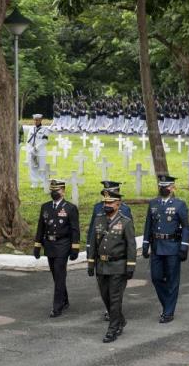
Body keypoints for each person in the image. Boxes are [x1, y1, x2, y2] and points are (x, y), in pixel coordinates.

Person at [87, 191, 136, 343]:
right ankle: (120, 320)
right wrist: (90, 263)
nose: (106, 205)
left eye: (110, 203)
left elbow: (131, 246)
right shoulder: (99, 220)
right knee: (105, 296)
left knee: (115, 299)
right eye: (105, 203)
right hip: (101, 266)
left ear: (118, 204)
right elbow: (93, 243)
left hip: (118, 266)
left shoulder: (126, 222)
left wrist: (130, 266)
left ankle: (112, 329)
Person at [142, 175, 189, 323]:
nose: (163, 188)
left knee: (172, 280)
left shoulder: (179, 205)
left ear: (172, 188)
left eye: (167, 186)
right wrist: (145, 244)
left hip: (172, 247)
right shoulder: (153, 204)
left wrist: (184, 246)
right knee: (156, 278)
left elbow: (186, 228)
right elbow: (148, 226)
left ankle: (168, 312)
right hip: (157, 246)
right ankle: (167, 305)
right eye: (161, 186)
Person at [33, 180, 80, 317]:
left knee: (60, 275)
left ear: (63, 191)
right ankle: (64, 300)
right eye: (52, 190)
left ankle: (57, 307)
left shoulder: (70, 208)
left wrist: (75, 248)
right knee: (55, 275)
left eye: (57, 190)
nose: (54, 192)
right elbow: (41, 227)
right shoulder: (45, 207)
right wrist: (37, 246)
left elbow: (75, 230)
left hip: (63, 245)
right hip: (49, 245)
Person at [26, 114, 50, 188]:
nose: (36, 121)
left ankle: (43, 182)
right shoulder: (31, 129)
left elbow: (45, 141)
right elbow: (28, 140)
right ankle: (34, 183)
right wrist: (30, 150)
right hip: (31, 151)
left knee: (41, 168)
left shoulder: (45, 129)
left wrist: (36, 148)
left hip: (40, 152)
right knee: (32, 167)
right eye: (35, 120)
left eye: (37, 120)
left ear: (41, 120)